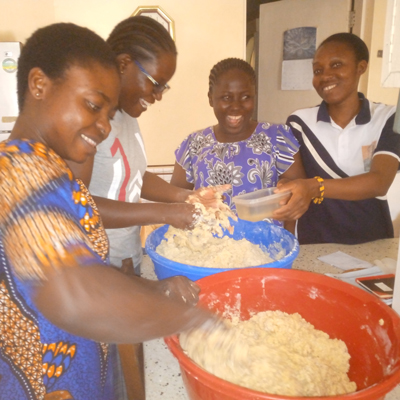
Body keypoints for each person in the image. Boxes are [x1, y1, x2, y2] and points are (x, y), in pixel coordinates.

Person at [0, 22, 220, 400]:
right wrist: (197, 322)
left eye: (109, 112)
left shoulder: (56, 174)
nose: (104, 126)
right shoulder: (13, 176)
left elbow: (88, 264)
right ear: (39, 86)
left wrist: (155, 288)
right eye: (93, 105)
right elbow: (76, 294)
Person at [67, 16, 227, 276]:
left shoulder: (127, 118)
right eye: (156, 84)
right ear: (123, 64)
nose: (159, 96)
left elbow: (134, 177)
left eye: (165, 87)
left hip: (125, 261)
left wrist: (185, 196)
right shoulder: (91, 123)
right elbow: (78, 204)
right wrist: (165, 213)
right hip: (93, 269)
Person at [276, 32, 400, 244]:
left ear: (361, 67)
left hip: (371, 241)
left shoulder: (389, 118)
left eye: (336, 65)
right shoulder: (299, 123)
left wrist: (314, 187)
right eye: (318, 70)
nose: (325, 76)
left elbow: (379, 182)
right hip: (315, 241)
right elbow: (293, 181)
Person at [170, 57, 306, 229]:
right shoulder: (193, 145)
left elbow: (296, 201)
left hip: (266, 247)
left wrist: (287, 241)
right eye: (226, 97)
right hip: (208, 248)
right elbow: (176, 202)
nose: (236, 106)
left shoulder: (278, 138)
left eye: (245, 97)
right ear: (211, 99)